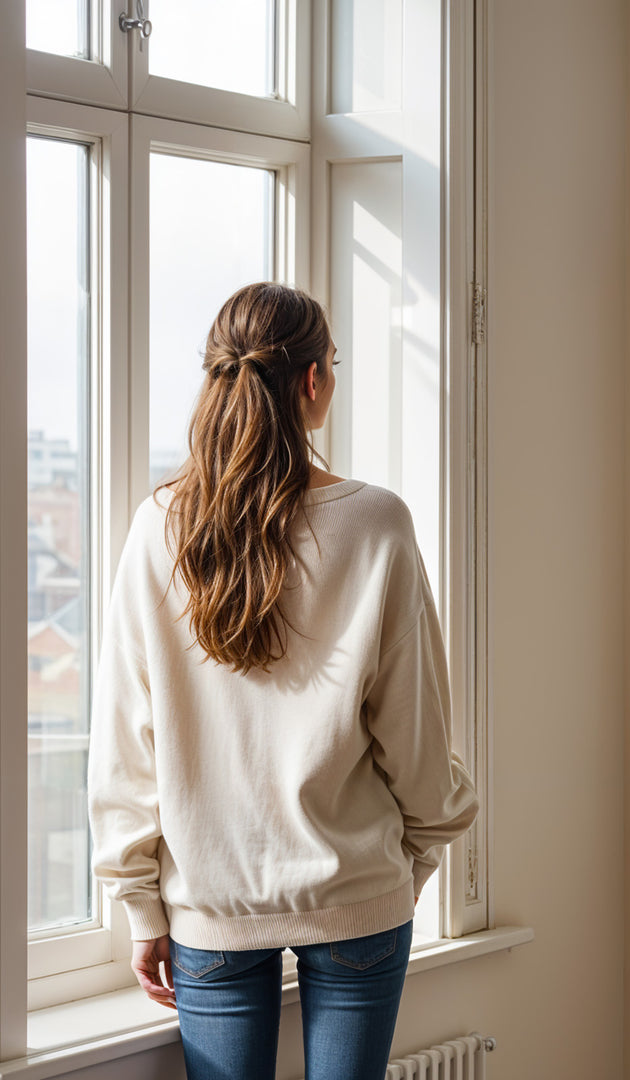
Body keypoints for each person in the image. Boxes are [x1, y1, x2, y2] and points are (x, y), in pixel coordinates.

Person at [87, 282, 479, 1080]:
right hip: (359, 891)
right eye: (332, 364)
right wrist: (423, 853)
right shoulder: (375, 523)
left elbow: (126, 733)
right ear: (311, 382)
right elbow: (416, 724)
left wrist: (140, 905)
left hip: (209, 904)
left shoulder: (159, 525)